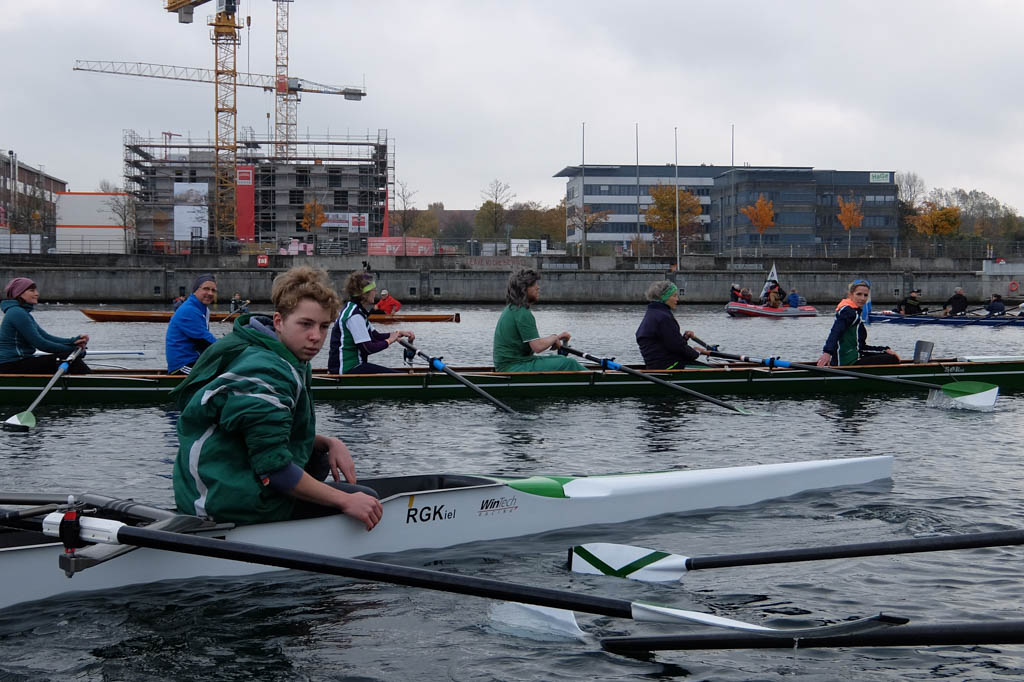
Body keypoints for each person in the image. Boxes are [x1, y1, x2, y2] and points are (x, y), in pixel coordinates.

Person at [171, 266, 382, 528]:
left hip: (218, 480)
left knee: (318, 457)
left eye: (324, 326)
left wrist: (329, 442)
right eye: (305, 324)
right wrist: (345, 500)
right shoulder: (267, 371)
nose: (316, 337)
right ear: (279, 322)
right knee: (367, 498)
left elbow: (261, 434)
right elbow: (275, 470)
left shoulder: (284, 354)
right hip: (217, 501)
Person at [492, 268, 583, 372]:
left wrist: (556, 338)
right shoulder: (522, 313)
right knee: (568, 363)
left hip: (516, 363)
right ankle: (595, 379)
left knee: (559, 358)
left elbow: (534, 343)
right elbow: (537, 347)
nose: (537, 287)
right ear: (523, 289)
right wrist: (554, 338)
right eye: (533, 284)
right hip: (513, 367)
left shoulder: (513, 309)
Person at [327, 271, 414, 374]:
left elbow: (375, 336)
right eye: (374, 290)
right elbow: (367, 348)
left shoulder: (357, 310)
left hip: (354, 366)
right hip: (346, 369)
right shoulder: (354, 316)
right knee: (400, 376)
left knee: (397, 374)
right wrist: (390, 340)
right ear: (365, 293)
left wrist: (397, 333)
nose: (376, 293)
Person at [0, 278, 90, 374]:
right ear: (19, 294)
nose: (37, 294)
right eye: (32, 290)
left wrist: (73, 341)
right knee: (66, 358)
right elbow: (41, 344)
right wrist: (72, 350)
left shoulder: (21, 312)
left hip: (19, 362)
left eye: (36, 290)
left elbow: (46, 337)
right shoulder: (17, 313)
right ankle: (91, 380)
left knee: (67, 358)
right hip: (10, 365)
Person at [817, 280, 900, 367]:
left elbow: (861, 348)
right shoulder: (848, 312)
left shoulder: (855, 314)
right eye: (859, 294)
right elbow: (835, 331)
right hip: (847, 363)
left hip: (854, 358)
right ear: (850, 295)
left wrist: (884, 350)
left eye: (865, 295)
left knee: (889, 355)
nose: (862, 298)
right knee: (892, 359)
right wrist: (827, 352)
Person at [635, 280, 711, 370]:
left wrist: (684, 339)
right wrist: (696, 353)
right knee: (712, 370)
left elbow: (669, 343)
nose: (677, 299)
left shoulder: (652, 313)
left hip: (656, 366)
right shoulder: (664, 317)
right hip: (669, 366)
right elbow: (677, 347)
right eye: (674, 296)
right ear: (664, 297)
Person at [165, 274, 219, 374]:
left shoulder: (201, 309)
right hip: (182, 366)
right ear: (195, 290)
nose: (210, 293)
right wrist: (231, 346)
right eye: (206, 289)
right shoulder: (189, 310)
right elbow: (206, 341)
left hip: (194, 361)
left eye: (213, 290)